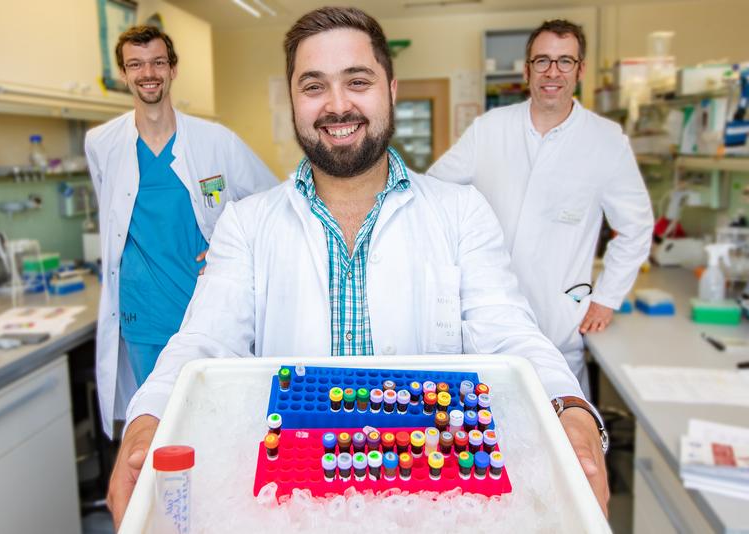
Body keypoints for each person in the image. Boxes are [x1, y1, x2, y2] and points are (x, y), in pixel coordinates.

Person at [106, 9, 609, 528]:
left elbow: (510, 335)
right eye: (314, 85)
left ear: (391, 89)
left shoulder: (461, 213)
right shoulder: (247, 224)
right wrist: (148, 420)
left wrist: (569, 405)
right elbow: (202, 342)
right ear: (293, 100)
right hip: (292, 503)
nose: (337, 104)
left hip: (430, 501)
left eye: (358, 81)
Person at [429, 19, 653, 397]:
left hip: (558, 324)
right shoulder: (490, 128)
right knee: (484, 440)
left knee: (562, 434)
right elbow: (433, 191)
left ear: (580, 70)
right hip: (487, 326)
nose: (553, 72)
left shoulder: (605, 140)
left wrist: (605, 299)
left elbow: (636, 227)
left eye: (565, 61)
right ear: (526, 69)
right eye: (543, 61)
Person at [84, 25, 277, 438]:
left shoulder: (215, 141)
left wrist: (230, 245)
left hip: (208, 310)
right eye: (135, 64)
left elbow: (273, 202)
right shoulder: (102, 143)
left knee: (217, 429)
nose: (147, 72)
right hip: (143, 317)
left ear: (172, 69)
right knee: (161, 433)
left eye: (157, 62)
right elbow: (114, 221)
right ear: (123, 73)